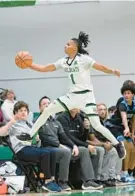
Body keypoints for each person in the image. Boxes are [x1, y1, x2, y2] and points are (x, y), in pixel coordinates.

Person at [23, 31, 125, 159]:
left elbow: (100, 67)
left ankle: (117, 144)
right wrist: (29, 65)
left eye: (68, 44)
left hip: (87, 97)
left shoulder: (84, 60)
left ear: (75, 48)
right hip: (71, 97)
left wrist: (113, 71)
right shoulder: (63, 61)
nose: (65, 46)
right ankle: (29, 135)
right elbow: (44, 68)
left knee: (96, 125)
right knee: (47, 111)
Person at [38, 96, 103, 190]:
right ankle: (62, 182)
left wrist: (74, 146)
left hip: (61, 148)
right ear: (39, 108)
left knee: (83, 151)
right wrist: (60, 145)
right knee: (66, 152)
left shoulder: (55, 122)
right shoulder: (38, 121)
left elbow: (64, 137)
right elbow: (45, 138)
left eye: (49, 104)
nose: (47, 105)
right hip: (47, 150)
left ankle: (88, 181)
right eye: (44, 104)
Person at [8, 101, 61, 192]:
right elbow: (23, 138)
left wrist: (37, 139)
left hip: (31, 148)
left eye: (25, 110)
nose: (24, 112)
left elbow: (33, 140)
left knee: (52, 152)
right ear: (16, 112)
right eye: (21, 110)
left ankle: (52, 179)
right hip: (20, 150)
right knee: (45, 153)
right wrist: (30, 138)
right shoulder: (13, 124)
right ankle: (47, 181)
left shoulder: (29, 124)